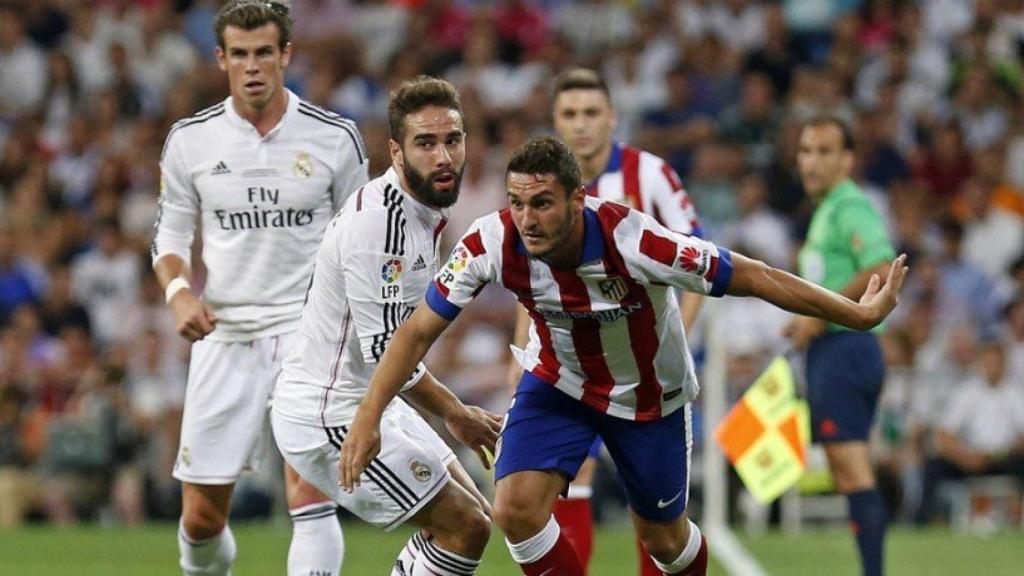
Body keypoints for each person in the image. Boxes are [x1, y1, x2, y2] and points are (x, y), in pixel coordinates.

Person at [342, 136, 908, 576]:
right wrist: (368, 415)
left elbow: (753, 275)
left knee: (665, 541)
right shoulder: (492, 243)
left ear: (576, 198)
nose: (528, 219)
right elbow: (417, 331)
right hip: (556, 385)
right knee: (513, 507)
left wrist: (853, 313)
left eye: (541, 203)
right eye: (517, 204)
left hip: (648, 399)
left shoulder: (636, 241)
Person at [151, 2, 368, 574]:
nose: (252, 66)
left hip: (309, 335)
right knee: (200, 523)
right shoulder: (190, 141)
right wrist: (178, 293)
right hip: (227, 334)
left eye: (264, 53)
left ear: (285, 55)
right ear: (220, 59)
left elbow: (362, 240)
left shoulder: (334, 138)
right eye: (240, 54)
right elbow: (169, 235)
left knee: (310, 497)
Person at [271, 76, 501, 576]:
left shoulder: (424, 211)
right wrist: (455, 412)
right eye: (425, 143)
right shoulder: (383, 225)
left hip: (372, 396)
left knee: (476, 518)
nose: (443, 157)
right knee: (464, 527)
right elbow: (385, 348)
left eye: (452, 140)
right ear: (396, 152)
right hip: (329, 412)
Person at [537, 67, 705, 575]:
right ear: (555, 121)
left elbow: (697, 263)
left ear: (612, 117)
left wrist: (675, 341)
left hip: (643, 370)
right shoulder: (540, 185)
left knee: (651, 507)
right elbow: (529, 275)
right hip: (568, 366)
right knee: (567, 479)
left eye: (591, 113)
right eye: (570, 114)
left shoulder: (648, 176)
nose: (581, 125)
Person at [786, 116, 898, 576]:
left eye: (825, 151)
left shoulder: (851, 205)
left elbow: (880, 263)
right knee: (846, 469)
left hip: (845, 348)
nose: (812, 161)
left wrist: (818, 317)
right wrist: (802, 319)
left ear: (848, 160)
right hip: (836, 349)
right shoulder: (829, 209)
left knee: (852, 470)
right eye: (806, 150)